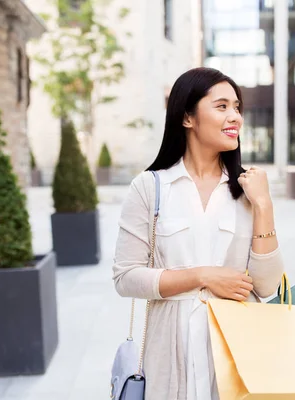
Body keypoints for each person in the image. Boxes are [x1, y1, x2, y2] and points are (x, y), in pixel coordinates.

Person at [112, 67, 284, 400]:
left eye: (237, 107)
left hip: (237, 349)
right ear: (188, 117)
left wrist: (263, 205)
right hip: (169, 353)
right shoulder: (150, 188)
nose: (234, 116)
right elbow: (126, 278)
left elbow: (266, 285)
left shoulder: (247, 188)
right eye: (221, 106)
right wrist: (203, 276)